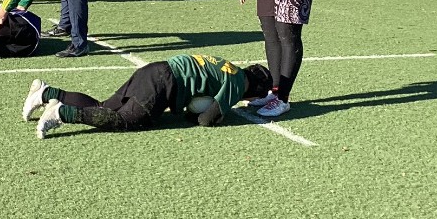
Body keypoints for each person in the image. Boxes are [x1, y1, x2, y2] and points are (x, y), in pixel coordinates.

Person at [24, 55, 274, 138]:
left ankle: (48, 93)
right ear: (254, 89)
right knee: (124, 120)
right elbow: (206, 119)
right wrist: (197, 113)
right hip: (164, 83)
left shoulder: (229, 66)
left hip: (155, 69)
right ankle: (61, 113)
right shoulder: (238, 82)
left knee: (104, 106)